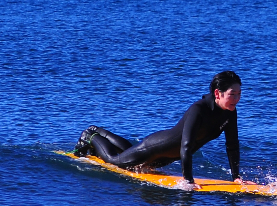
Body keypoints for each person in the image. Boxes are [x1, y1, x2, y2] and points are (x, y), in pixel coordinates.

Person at [75, 71, 241, 185]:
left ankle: (101, 131)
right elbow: (186, 145)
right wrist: (188, 180)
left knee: (131, 153)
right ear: (218, 93)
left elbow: (232, 146)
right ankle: (91, 136)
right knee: (115, 161)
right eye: (232, 94)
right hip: (154, 148)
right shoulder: (198, 110)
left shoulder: (230, 113)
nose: (236, 98)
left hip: (165, 157)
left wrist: (236, 177)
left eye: (239, 94)